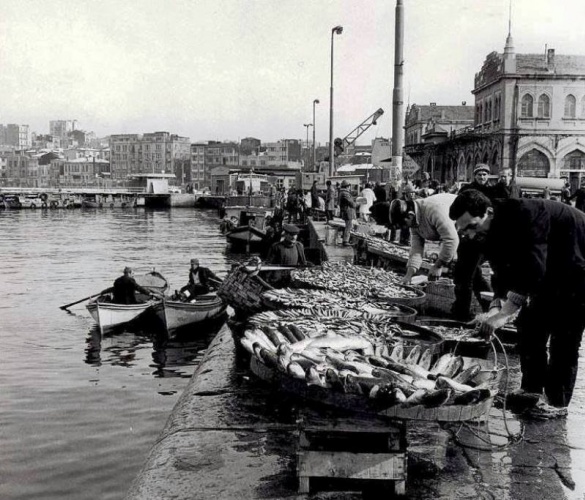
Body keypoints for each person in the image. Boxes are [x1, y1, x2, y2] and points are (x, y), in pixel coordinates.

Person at [449, 189, 585, 419]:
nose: (468, 235)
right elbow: (502, 270)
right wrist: (494, 307)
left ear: (488, 212)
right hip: (550, 270)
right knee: (530, 328)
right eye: (462, 230)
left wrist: (503, 315)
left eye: (471, 227)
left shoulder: (526, 214)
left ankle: (556, 403)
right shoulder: (486, 229)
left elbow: (533, 269)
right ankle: (531, 391)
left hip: (577, 269)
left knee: (564, 338)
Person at [451, 163, 509, 320]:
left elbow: (497, 211)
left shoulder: (494, 190)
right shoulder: (467, 190)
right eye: (479, 174)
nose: (482, 177)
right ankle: (483, 307)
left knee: (467, 274)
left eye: (484, 174)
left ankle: (462, 312)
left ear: (488, 175)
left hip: (481, 237)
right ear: (474, 175)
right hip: (467, 237)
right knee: (470, 273)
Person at [389, 193, 459, 284]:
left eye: (404, 224)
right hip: (456, 231)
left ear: (410, 215)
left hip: (473, 223)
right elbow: (416, 248)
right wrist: (408, 275)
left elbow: (451, 240)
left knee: (467, 268)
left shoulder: (433, 210)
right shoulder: (413, 219)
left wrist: (438, 266)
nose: (406, 228)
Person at [338, 179, 356, 247]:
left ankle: (346, 240)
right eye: (349, 186)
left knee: (348, 226)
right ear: (347, 186)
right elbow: (351, 203)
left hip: (346, 211)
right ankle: (345, 241)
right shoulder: (345, 193)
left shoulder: (342, 192)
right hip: (348, 212)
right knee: (349, 226)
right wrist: (356, 204)